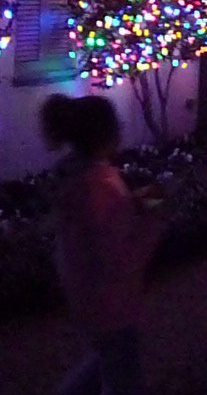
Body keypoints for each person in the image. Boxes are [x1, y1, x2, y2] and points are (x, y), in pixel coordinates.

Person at [42, 94, 167, 395]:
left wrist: (131, 204)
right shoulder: (99, 186)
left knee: (104, 362)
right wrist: (154, 219)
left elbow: (99, 230)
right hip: (111, 302)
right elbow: (119, 257)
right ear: (105, 134)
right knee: (124, 378)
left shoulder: (77, 179)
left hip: (88, 296)